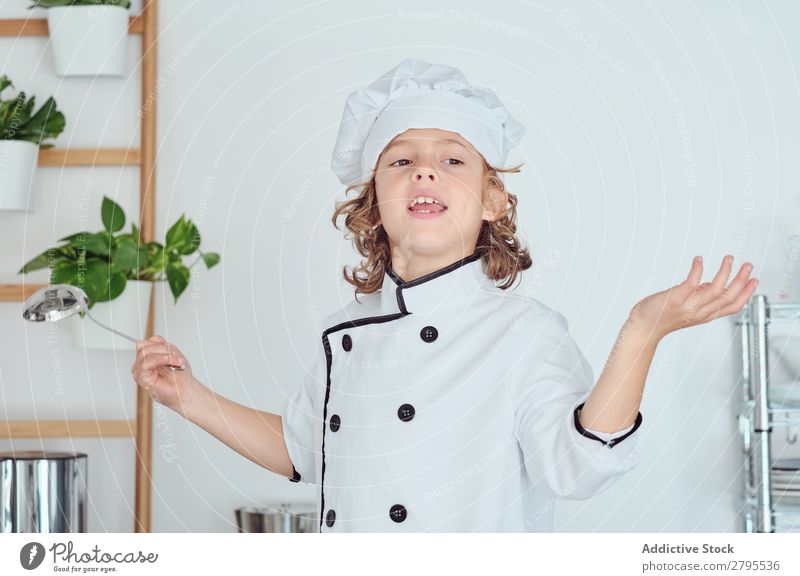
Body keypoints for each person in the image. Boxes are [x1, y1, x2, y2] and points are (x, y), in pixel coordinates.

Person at [131, 58, 758, 533]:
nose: (424, 170)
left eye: (454, 159)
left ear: (493, 202)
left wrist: (642, 330)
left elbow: (577, 466)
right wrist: (188, 396)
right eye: (400, 160)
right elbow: (302, 451)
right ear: (373, 200)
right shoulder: (344, 334)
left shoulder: (524, 333)